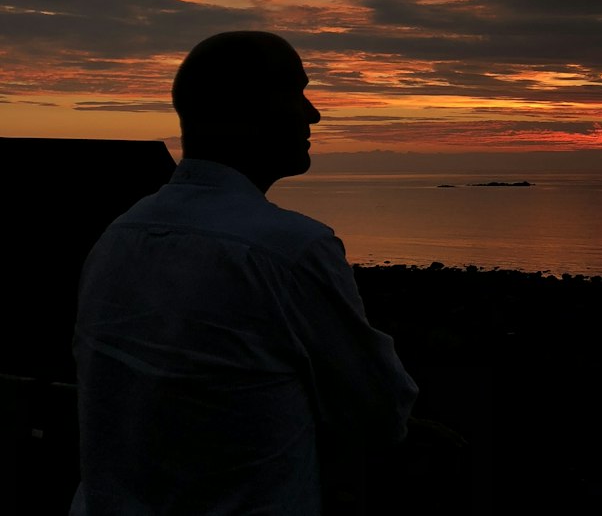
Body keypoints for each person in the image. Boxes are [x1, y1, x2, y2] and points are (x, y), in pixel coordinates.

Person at [71, 30, 418, 515]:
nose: (313, 113)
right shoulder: (287, 249)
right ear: (249, 109)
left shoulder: (118, 236)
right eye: (297, 92)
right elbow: (380, 414)